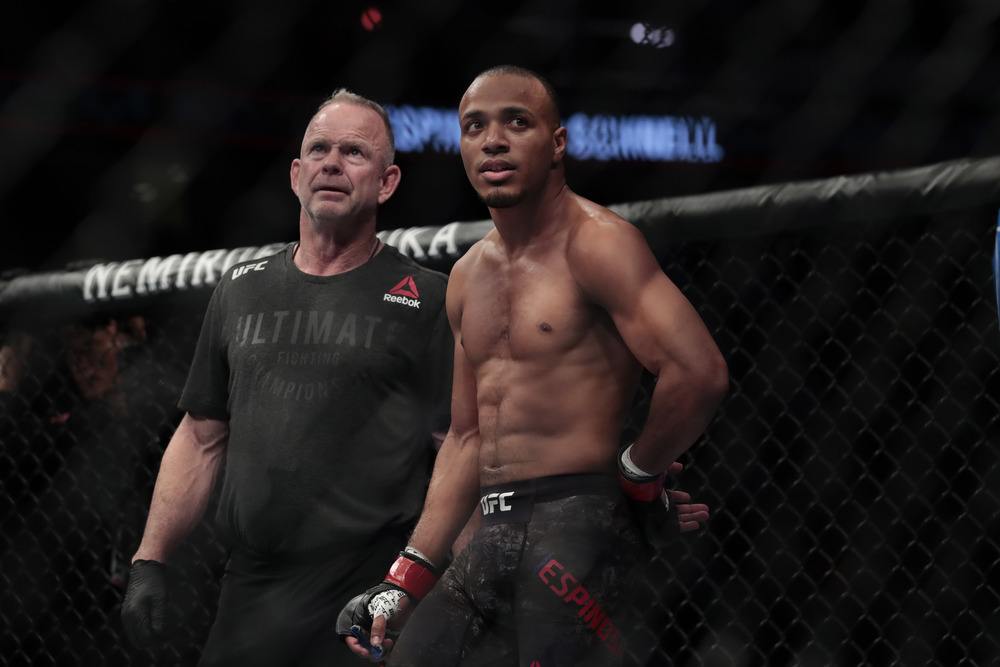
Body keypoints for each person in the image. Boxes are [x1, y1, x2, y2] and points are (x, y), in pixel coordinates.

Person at [341, 66, 728, 666]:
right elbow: (467, 435)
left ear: (557, 143)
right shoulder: (468, 276)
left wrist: (638, 472)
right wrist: (406, 578)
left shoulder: (597, 243)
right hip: (489, 531)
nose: (493, 140)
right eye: (475, 126)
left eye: (516, 122)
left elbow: (697, 371)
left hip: (577, 525)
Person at [120, 90, 453, 666]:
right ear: (296, 174)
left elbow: (459, 446)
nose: (332, 162)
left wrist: (415, 579)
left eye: (354, 152)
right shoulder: (241, 287)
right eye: (319, 149)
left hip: (367, 587)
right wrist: (150, 560)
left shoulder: (428, 297)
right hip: (251, 586)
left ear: (387, 182)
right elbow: (201, 435)